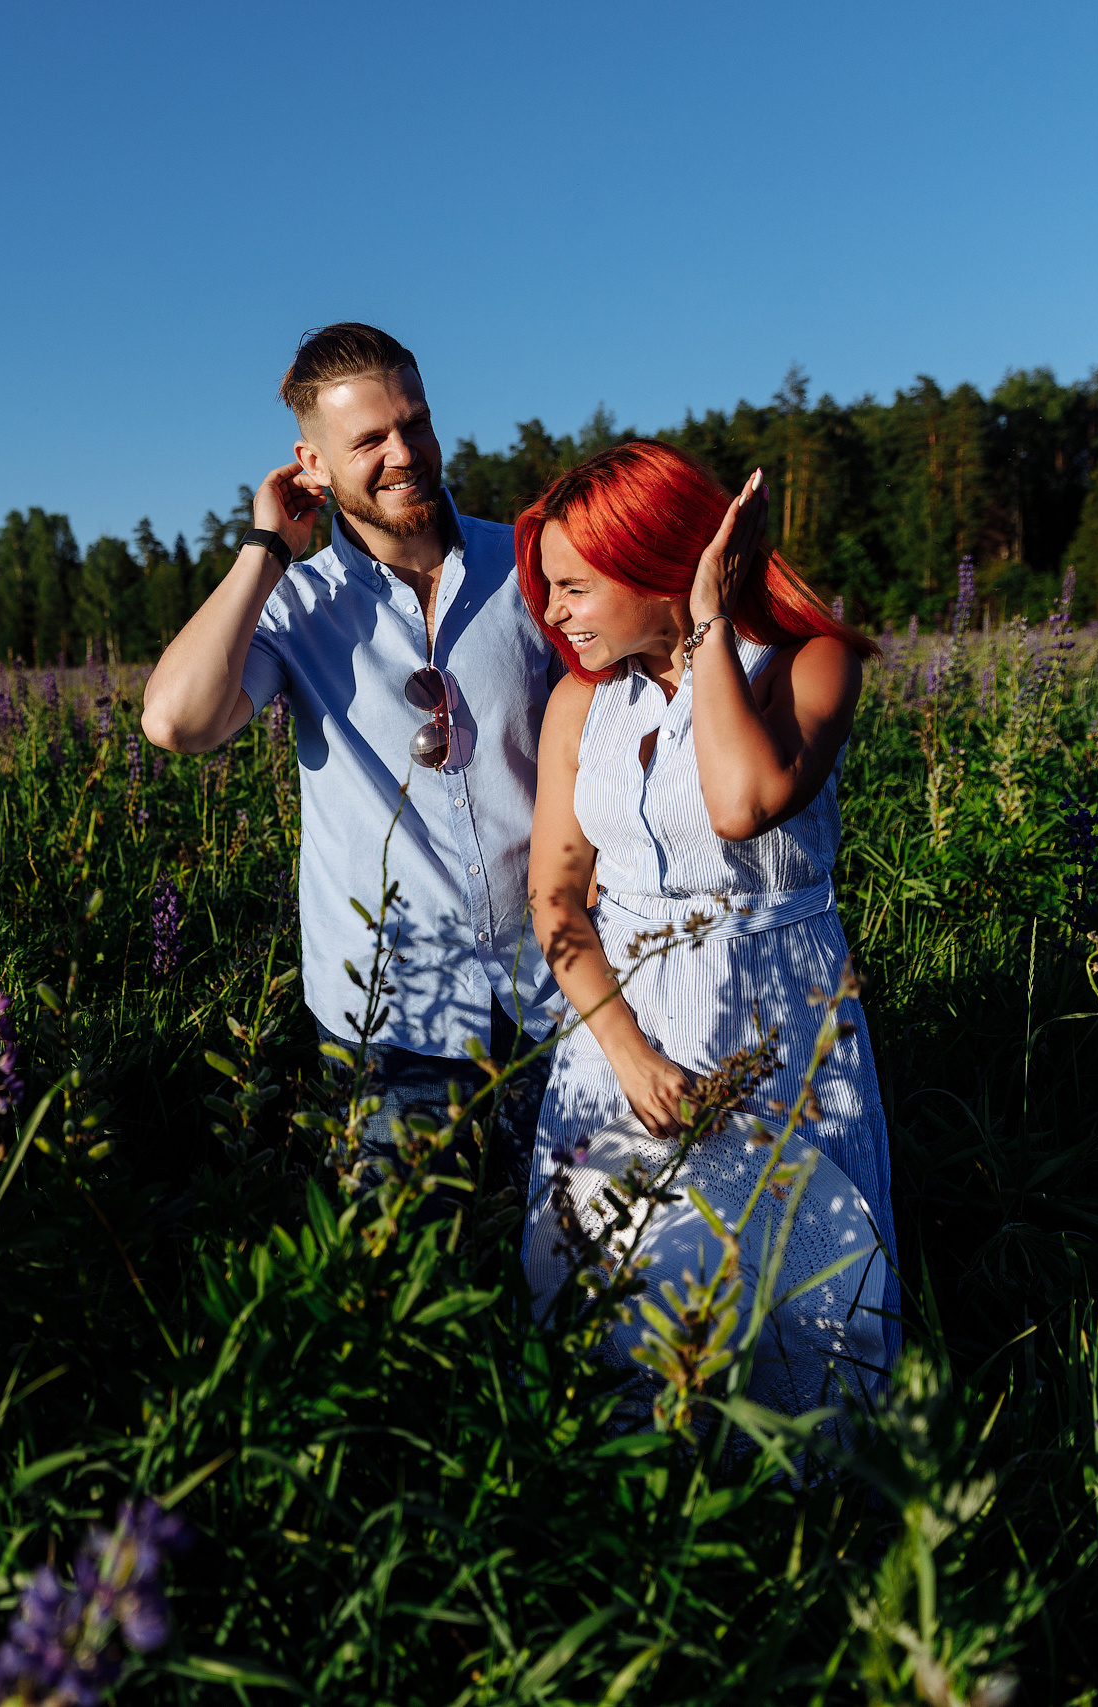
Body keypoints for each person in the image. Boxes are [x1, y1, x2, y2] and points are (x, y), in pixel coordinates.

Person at [515, 442, 896, 1422]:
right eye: (547, 589)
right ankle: (639, 1508)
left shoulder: (809, 664)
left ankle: (801, 1521)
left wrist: (711, 622)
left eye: (572, 587)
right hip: (623, 1030)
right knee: (623, 1284)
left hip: (778, 1014)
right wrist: (628, 1055)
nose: (551, 614)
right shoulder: (579, 705)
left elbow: (740, 802)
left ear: (661, 563)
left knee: (802, 1287)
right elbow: (556, 903)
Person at [141, 324, 560, 1185]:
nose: (403, 453)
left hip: (554, 997)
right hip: (393, 1029)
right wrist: (264, 550)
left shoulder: (530, 564)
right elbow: (177, 723)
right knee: (407, 1293)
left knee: (573, 1277)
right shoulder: (297, 606)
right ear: (312, 463)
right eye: (368, 439)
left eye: (416, 423)